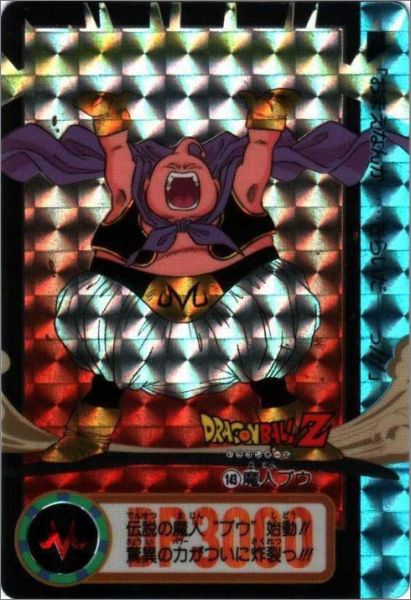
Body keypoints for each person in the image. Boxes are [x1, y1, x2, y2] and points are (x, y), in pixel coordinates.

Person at [2, 89, 407, 463]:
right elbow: (119, 165)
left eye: (194, 163)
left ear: (216, 183)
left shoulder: (241, 205)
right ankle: (88, 437)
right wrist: (111, 125)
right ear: (146, 183)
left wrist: (264, 128)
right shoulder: (126, 207)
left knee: (269, 375)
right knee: (108, 376)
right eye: (169, 165)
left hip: (232, 318)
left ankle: (294, 439)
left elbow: (254, 167)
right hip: (138, 321)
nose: (182, 159)